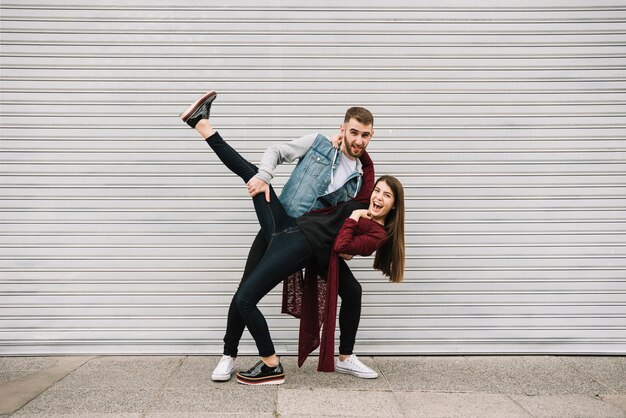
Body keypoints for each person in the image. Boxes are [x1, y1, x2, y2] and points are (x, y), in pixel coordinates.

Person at [180, 92, 405, 385]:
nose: (358, 140)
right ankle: (229, 355)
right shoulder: (319, 144)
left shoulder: (363, 177)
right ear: (342, 129)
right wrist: (265, 175)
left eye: (365, 135)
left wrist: (348, 245)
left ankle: (346, 358)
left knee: (353, 291)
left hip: (313, 243)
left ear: (371, 135)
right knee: (244, 290)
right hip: (280, 221)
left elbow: (360, 215)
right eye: (353, 133)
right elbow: (276, 150)